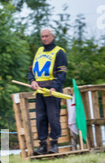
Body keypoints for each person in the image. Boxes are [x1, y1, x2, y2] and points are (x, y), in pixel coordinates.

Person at [28, 27, 67, 155]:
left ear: (53, 37)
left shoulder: (59, 52)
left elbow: (62, 73)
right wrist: (32, 80)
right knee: (40, 118)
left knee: (53, 117)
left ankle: (54, 144)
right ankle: (43, 145)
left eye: (47, 36)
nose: (44, 38)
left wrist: (54, 87)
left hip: (52, 90)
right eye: (42, 36)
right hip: (39, 90)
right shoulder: (39, 51)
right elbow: (31, 69)